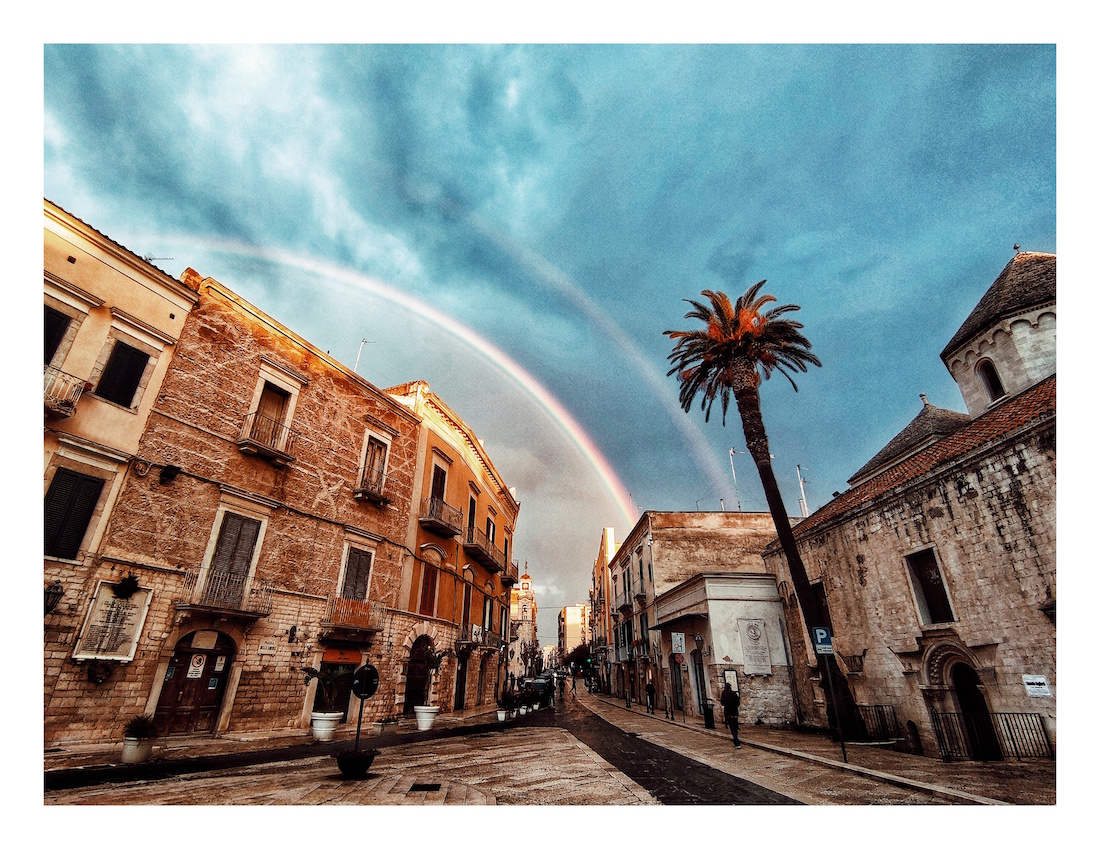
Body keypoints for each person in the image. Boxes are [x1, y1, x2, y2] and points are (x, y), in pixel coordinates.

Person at [720, 682, 741, 747]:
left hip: (728, 712)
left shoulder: (724, 694)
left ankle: (736, 741)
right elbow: (738, 703)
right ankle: (736, 741)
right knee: (735, 727)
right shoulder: (734, 693)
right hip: (735, 712)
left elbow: (722, 703)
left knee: (732, 727)